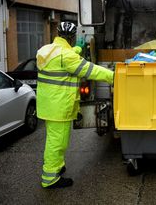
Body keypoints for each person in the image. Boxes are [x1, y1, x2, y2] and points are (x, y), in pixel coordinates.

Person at [36, 21, 114, 189]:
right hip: (59, 107)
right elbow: (91, 70)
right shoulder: (67, 56)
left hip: (47, 105)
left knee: (55, 139)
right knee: (57, 142)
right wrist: (114, 76)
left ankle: (57, 166)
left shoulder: (46, 50)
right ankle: (50, 178)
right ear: (72, 38)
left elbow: (64, 56)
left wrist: (77, 50)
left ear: (58, 35)